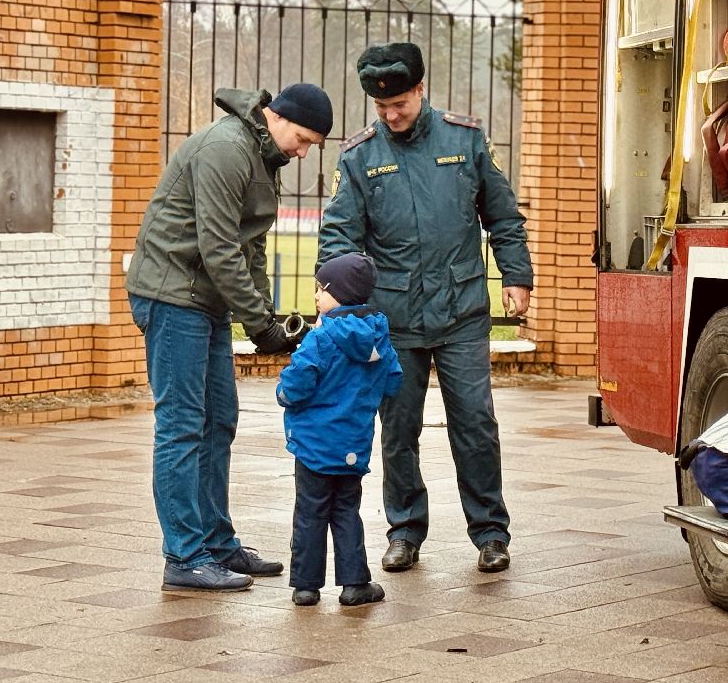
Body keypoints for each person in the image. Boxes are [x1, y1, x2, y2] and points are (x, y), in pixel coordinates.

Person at [318, 42, 532, 574]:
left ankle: (490, 533)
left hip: (460, 310)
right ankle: (405, 530)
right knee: (398, 430)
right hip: (392, 319)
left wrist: (517, 276)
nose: (391, 115)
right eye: (380, 107)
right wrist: (341, 301)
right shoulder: (360, 156)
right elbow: (339, 237)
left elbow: (502, 216)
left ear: (420, 90)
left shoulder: (466, 140)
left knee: (476, 424)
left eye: (400, 104)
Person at [127, 83, 332, 592]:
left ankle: (216, 543)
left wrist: (262, 317)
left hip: (205, 298)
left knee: (219, 420)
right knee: (181, 425)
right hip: (172, 294)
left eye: (312, 146)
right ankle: (185, 556)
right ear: (275, 117)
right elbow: (218, 247)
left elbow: (252, 247)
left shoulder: (263, 156)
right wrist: (259, 323)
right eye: (302, 139)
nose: (302, 152)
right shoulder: (226, 150)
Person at [277, 252, 402, 607]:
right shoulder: (379, 336)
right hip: (353, 445)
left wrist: (283, 393)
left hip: (314, 446)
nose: (317, 297)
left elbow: (297, 384)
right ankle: (354, 584)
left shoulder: (321, 338)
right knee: (347, 511)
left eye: (322, 290)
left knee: (310, 512)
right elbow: (393, 382)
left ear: (340, 294)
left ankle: (305, 586)